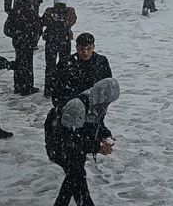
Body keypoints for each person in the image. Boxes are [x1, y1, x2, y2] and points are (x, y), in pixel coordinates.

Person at [46, 78, 120, 206]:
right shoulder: (77, 106)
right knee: (77, 178)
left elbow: (97, 124)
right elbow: (71, 140)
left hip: (73, 148)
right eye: (107, 101)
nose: (108, 105)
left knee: (73, 179)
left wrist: (105, 135)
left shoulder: (97, 103)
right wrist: (97, 147)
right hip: (60, 148)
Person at [3, 0, 49, 95]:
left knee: (28, 57)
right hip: (20, 25)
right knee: (21, 56)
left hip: (31, 25)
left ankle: (28, 85)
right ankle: (20, 86)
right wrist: (11, 13)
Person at [50, 33, 113, 108]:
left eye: (88, 48)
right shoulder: (65, 64)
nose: (85, 52)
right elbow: (56, 88)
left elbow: (107, 85)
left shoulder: (101, 61)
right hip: (70, 105)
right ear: (76, 48)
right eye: (81, 49)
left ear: (93, 47)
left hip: (94, 105)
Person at [42, 0, 78, 97]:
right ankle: (63, 87)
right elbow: (73, 21)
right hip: (65, 40)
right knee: (65, 64)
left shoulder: (49, 11)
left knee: (50, 66)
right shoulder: (70, 11)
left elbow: (43, 21)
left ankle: (49, 89)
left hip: (51, 41)